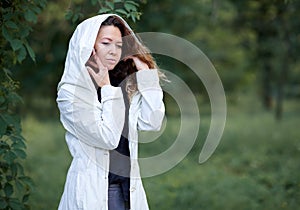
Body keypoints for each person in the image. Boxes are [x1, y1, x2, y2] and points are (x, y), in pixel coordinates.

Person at [56, 14, 165, 210]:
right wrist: (106, 87)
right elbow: (107, 138)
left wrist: (147, 77)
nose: (114, 51)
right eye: (106, 43)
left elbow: (152, 122)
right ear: (88, 46)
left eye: (119, 45)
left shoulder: (124, 85)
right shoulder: (71, 93)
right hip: (97, 191)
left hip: (128, 189)